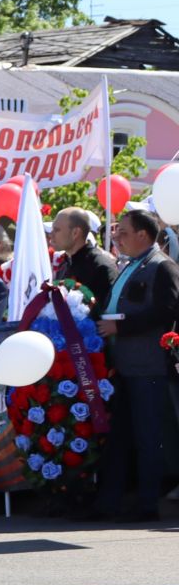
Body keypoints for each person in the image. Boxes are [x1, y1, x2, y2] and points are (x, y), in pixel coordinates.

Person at [90, 209, 179, 523]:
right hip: (124, 365)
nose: (117, 237)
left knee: (147, 437)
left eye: (123, 232)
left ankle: (147, 505)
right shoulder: (128, 265)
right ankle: (109, 503)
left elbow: (166, 312)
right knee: (119, 438)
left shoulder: (163, 267)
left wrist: (121, 327)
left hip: (147, 366)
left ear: (143, 234)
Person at [52, 208, 119, 310]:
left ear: (75, 233)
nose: (51, 235)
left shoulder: (101, 266)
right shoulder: (66, 263)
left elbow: (110, 312)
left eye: (56, 230)